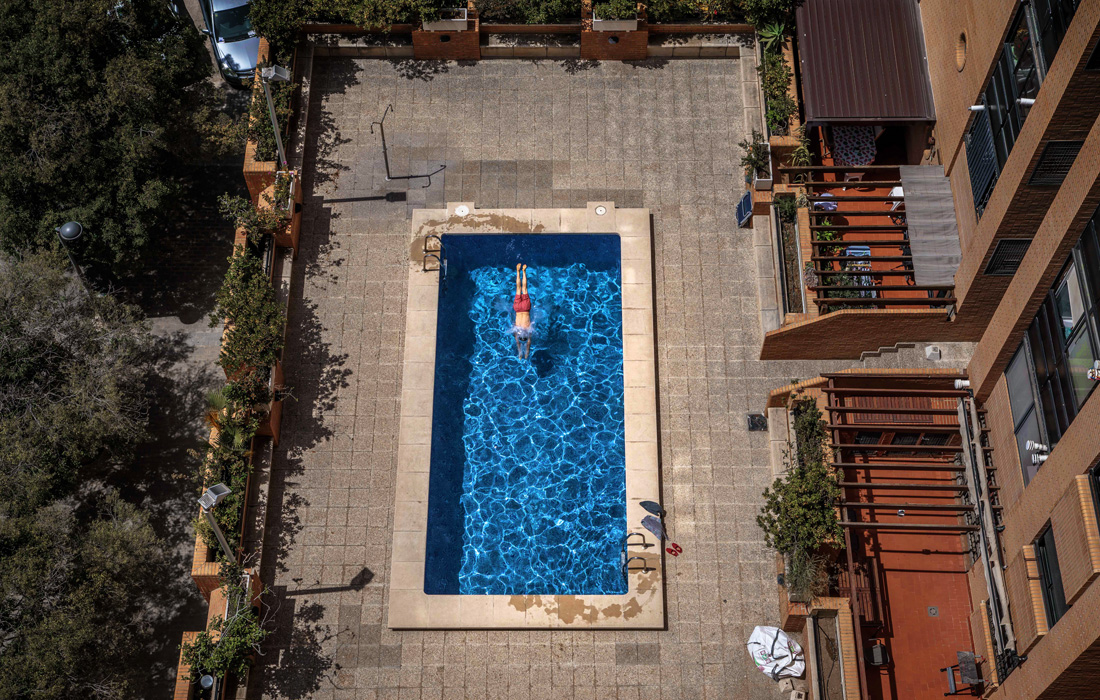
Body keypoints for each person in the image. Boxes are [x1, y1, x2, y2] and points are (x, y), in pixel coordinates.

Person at [512, 263, 533, 359]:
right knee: (518, 289)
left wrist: (524, 354)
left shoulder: (528, 330)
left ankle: (523, 271)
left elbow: (528, 343)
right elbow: (518, 342)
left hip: (526, 308)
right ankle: (518, 271)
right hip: (517, 309)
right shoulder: (517, 330)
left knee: (524, 288)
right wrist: (522, 353)